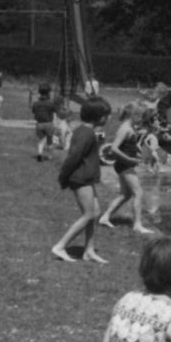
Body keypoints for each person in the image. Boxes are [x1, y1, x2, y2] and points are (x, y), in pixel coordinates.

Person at [51, 99, 111, 263]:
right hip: (81, 178)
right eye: (106, 115)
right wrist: (63, 177)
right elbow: (73, 157)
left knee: (96, 213)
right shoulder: (86, 133)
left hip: (87, 177)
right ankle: (60, 246)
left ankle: (89, 251)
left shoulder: (87, 131)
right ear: (99, 117)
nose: (108, 119)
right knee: (88, 214)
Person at [99, 102, 159, 237]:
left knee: (125, 195)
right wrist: (129, 159)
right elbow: (114, 148)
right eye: (140, 116)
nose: (141, 119)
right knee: (138, 193)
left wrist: (136, 151)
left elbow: (127, 145)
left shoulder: (130, 128)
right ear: (134, 115)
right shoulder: (125, 129)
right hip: (125, 165)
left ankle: (105, 217)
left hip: (125, 164)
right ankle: (137, 224)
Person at [30, 84, 58, 161]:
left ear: (39, 92)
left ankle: (39, 153)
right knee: (50, 141)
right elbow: (56, 110)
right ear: (48, 93)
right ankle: (50, 156)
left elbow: (33, 111)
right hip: (49, 124)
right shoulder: (51, 103)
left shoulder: (36, 103)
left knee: (41, 140)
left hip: (39, 124)